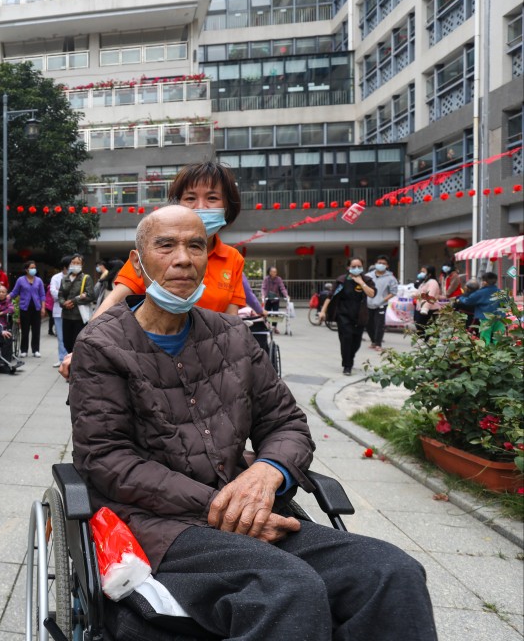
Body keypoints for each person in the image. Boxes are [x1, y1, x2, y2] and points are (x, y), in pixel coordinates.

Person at [69, 206, 436, 641]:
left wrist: (269, 472)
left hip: (252, 508)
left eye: (195, 245)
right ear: (138, 261)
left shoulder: (232, 336)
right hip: (159, 526)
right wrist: (219, 506)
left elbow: (286, 423)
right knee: (286, 591)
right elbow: (106, 459)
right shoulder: (102, 344)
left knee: (391, 572)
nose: (182, 258)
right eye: (165, 245)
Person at [59, 162, 246, 379]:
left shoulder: (232, 259)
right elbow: (111, 303)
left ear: (228, 206)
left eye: (212, 198)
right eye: (190, 198)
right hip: (151, 365)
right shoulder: (153, 253)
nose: (199, 207)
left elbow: (232, 324)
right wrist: (83, 348)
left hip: (208, 367)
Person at [318, 257, 376, 375]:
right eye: (353, 266)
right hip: (343, 315)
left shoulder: (367, 280)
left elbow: (372, 294)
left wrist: (361, 283)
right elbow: (330, 296)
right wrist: (323, 311)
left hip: (360, 316)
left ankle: (350, 358)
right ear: (348, 267)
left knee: (356, 342)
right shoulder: (341, 281)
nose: (356, 269)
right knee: (346, 340)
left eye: (359, 266)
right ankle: (347, 365)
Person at [58, 253, 96, 353]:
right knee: (66, 342)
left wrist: (74, 301)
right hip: (66, 315)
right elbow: (60, 294)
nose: (75, 264)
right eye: (73, 262)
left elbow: (91, 295)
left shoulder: (86, 278)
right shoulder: (64, 279)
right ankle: (70, 360)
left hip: (79, 316)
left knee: (78, 342)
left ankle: (75, 363)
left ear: (82, 265)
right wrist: (63, 303)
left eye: (78, 263)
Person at [10, 261, 46, 358]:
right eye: (31, 267)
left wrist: (43, 307)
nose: (33, 269)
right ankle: (24, 350)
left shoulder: (39, 280)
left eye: (34, 267)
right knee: (25, 330)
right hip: (24, 308)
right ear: (26, 269)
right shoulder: (20, 280)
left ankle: (36, 350)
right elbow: (14, 292)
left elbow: (42, 295)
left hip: (36, 308)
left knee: (36, 330)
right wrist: (6, 297)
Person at [365, 255, 399, 350]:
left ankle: (378, 344)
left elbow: (393, 292)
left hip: (381, 304)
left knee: (379, 324)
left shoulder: (391, 278)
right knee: (368, 324)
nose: (381, 265)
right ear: (375, 264)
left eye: (384, 263)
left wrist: (382, 300)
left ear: (387, 265)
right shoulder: (368, 276)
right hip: (368, 304)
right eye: (379, 263)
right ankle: (373, 341)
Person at [453, 272, 503, 336]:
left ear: (485, 282)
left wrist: (460, 298)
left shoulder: (480, 293)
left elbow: (467, 301)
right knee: (497, 338)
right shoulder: (501, 292)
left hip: (486, 319)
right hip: (500, 319)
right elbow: (506, 304)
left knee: (485, 339)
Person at [49, 256, 71, 366]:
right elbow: (53, 292)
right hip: (58, 311)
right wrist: (65, 295)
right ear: (64, 267)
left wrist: (61, 293)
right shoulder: (56, 278)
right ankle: (62, 359)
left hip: (73, 312)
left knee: (71, 336)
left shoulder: (77, 278)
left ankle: (71, 358)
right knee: (61, 337)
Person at [412, 265, 441, 336]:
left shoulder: (433, 282)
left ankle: (428, 342)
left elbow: (430, 295)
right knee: (420, 326)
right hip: (421, 307)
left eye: (423, 272)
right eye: (421, 271)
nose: (421, 273)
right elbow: (421, 292)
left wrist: (425, 308)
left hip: (429, 309)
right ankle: (427, 342)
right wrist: (415, 294)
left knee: (424, 327)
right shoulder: (425, 282)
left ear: (430, 273)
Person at [261, 266, 289, 334]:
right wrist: (263, 295)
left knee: (275, 313)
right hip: (268, 299)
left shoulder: (278, 279)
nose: (275, 273)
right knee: (267, 313)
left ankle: (274, 327)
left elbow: (282, 288)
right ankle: (267, 326)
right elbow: (263, 288)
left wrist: (286, 295)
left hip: (276, 299)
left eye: (276, 272)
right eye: (273, 272)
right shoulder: (266, 279)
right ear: (270, 272)